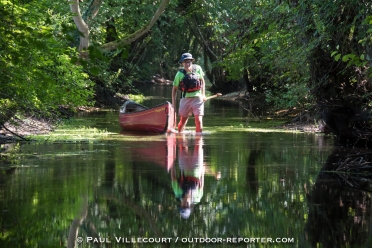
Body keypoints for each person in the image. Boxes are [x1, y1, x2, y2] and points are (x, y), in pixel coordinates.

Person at [170, 134, 220, 219]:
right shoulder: (197, 197)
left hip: (184, 166)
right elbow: (201, 182)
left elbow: (173, 177)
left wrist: (172, 161)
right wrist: (206, 171)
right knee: (198, 144)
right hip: (197, 167)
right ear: (190, 206)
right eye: (186, 206)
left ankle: (181, 129)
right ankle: (198, 130)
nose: (184, 204)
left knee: (182, 144)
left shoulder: (178, 193)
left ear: (181, 204)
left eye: (183, 205)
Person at [172, 53, 206, 133]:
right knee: (182, 122)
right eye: (185, 62)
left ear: (192, 61)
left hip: (198, 99)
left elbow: (202, 81)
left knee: (199, 121)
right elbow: (174, 89)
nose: (188, 64)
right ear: (182, 63)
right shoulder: (179, 74)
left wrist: (203, 94)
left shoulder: (198, 69)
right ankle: (180, 137)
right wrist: (173, 104)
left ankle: (199, 142)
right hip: (185, 99)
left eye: (189, 61)